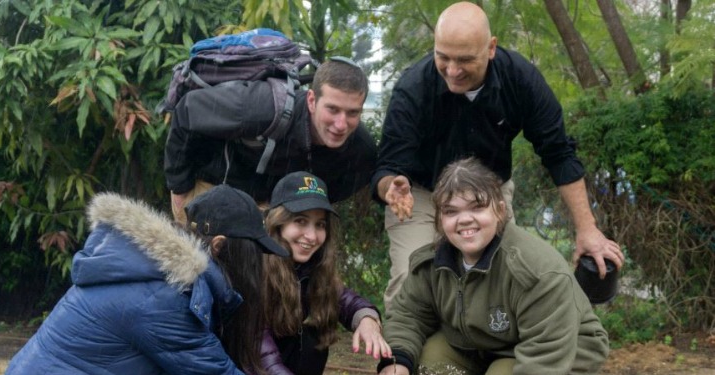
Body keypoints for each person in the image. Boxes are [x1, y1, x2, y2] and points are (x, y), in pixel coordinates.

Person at [372, 1, 624, 308]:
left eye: (464, 59)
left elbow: (558, 153)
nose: (452, 71)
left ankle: (497, 354)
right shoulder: (413, 89)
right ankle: (403, 356)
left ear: (491, 48)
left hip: (489, 193)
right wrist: (391, 187)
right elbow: (387, 167)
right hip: (422, 194)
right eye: (443, 57)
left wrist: (587, 229)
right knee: (410, 280)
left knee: (508, 279)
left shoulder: (521, 80)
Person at [6, 185, 289, 375]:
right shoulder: (163, 297)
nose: (259, 266)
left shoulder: (158, 274)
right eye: (254, 255)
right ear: (218, 246)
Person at [377, 157, 609, 375]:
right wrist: (396, 363)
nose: (464, 219)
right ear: (439, 219)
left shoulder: (535, 270)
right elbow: (408, 316)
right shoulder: (429, 263)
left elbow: (546, 354)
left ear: (499, 210)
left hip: (559, 350)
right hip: (480, 346)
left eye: (477, 207)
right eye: (451, 211)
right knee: (430, 360)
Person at [165, 57, 377, 224]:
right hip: (211, 187)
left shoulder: (361, 150)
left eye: (352, 113)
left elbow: (339, 189)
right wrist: (179, 189)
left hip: (270, 207)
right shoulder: (260, 109)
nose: (341, 124)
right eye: (332, 109)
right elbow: (187, 111)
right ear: (312, 100)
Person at [259, 171, 392, 374]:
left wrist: (367, 320)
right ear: (278, 222)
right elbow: (261, 353)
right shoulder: (254, 272)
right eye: (300, 221)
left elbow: (346, 300)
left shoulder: (315, 270)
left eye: (320, 224)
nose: (311, 236)